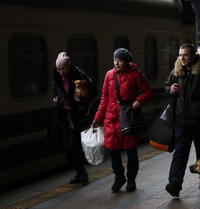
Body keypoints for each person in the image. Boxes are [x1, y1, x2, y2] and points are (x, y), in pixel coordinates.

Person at [92, 48, 153, 192]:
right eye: (115, 60)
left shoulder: (135, 75)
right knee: (113, 151)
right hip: (111, 118)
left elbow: (148, 91)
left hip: (128, 117)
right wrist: (97, 118)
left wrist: (139, 100)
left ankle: (131, 179)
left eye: (120, 60)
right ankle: (119, 177)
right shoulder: (109, 75)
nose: (116, 63)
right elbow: (104, 99)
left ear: (127, 62)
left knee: (131, 151)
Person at [164, 43, 200, 197]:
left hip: (199, 121)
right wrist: (169, 89)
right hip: (181, 121)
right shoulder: (176, 72)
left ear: (193, 56)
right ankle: (175, 184)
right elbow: (166, 85)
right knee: (180, 153)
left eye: (185, 55)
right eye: (180, 55)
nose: (182, 58)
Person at [52, 52, 98, 185]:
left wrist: (83, 100)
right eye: (59, 69)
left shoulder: (79, 75)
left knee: (73, 145)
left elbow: (94, 90)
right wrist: (56, 97)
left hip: (77, 115)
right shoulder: (56, 75)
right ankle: (79, 173)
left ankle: (83, 173)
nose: (61, 72)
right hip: (64, 115)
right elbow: (56, 88)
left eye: (63, 69)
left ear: (69, 66)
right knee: (67, 147)